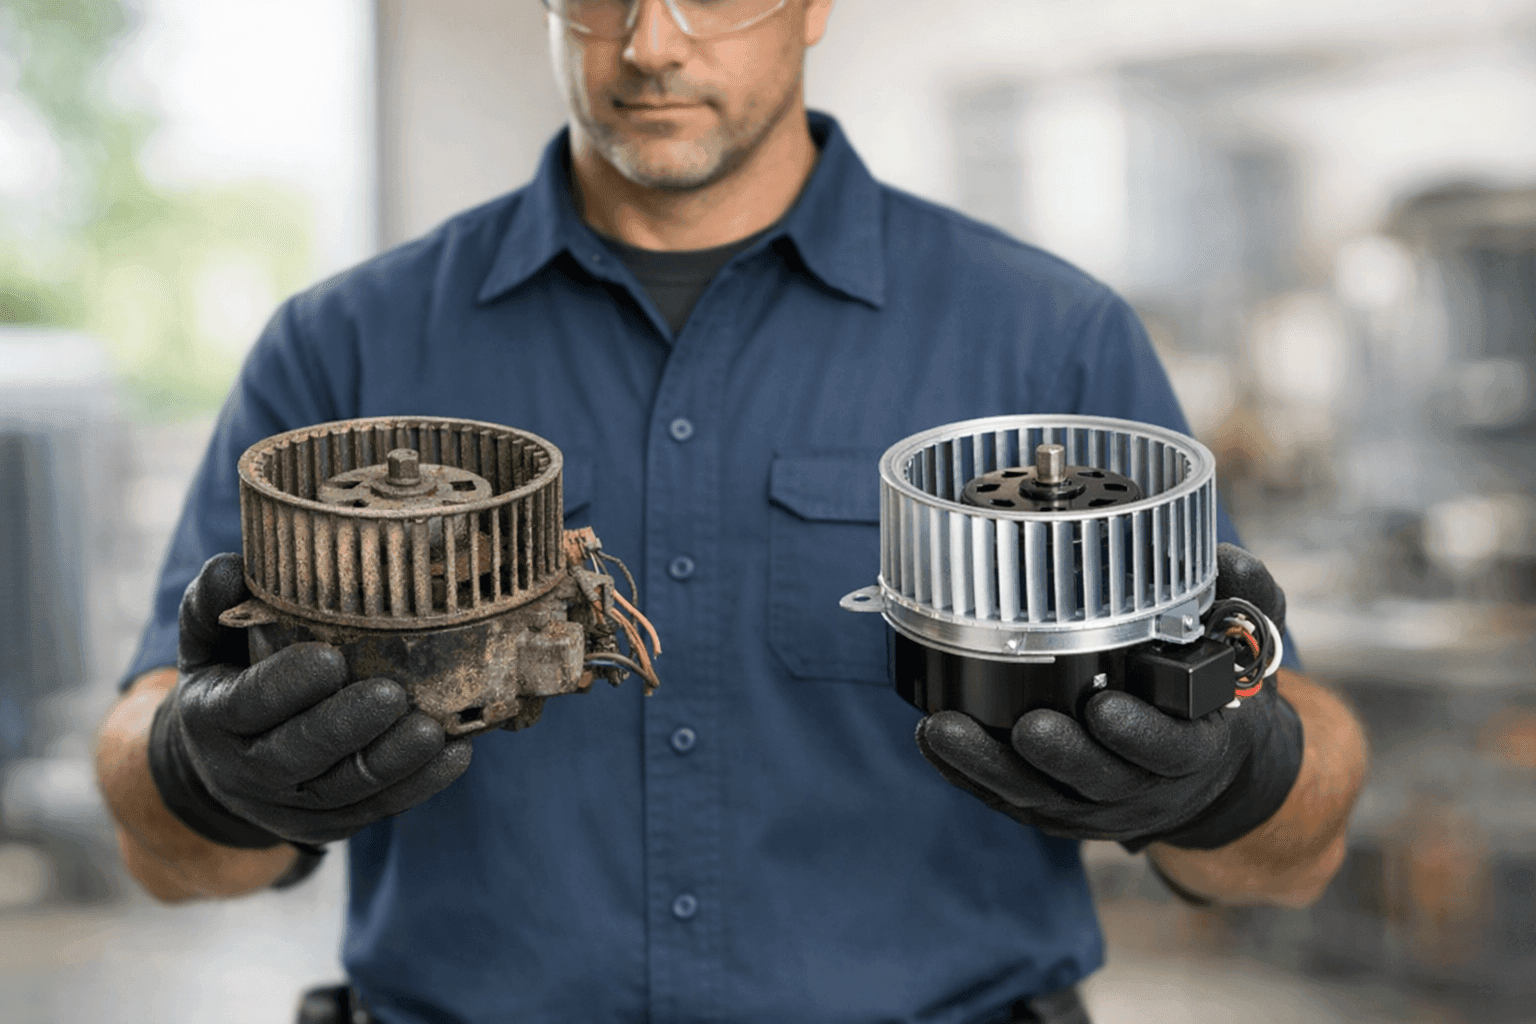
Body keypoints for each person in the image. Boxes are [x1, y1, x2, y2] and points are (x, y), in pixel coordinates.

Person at [94, 1, 1369, 1021]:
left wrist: (1231, 771)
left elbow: (1293, 856)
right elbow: (170, 851)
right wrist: (197, 770)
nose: (651, 41)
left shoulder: (1051, 339)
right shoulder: (343, 348)